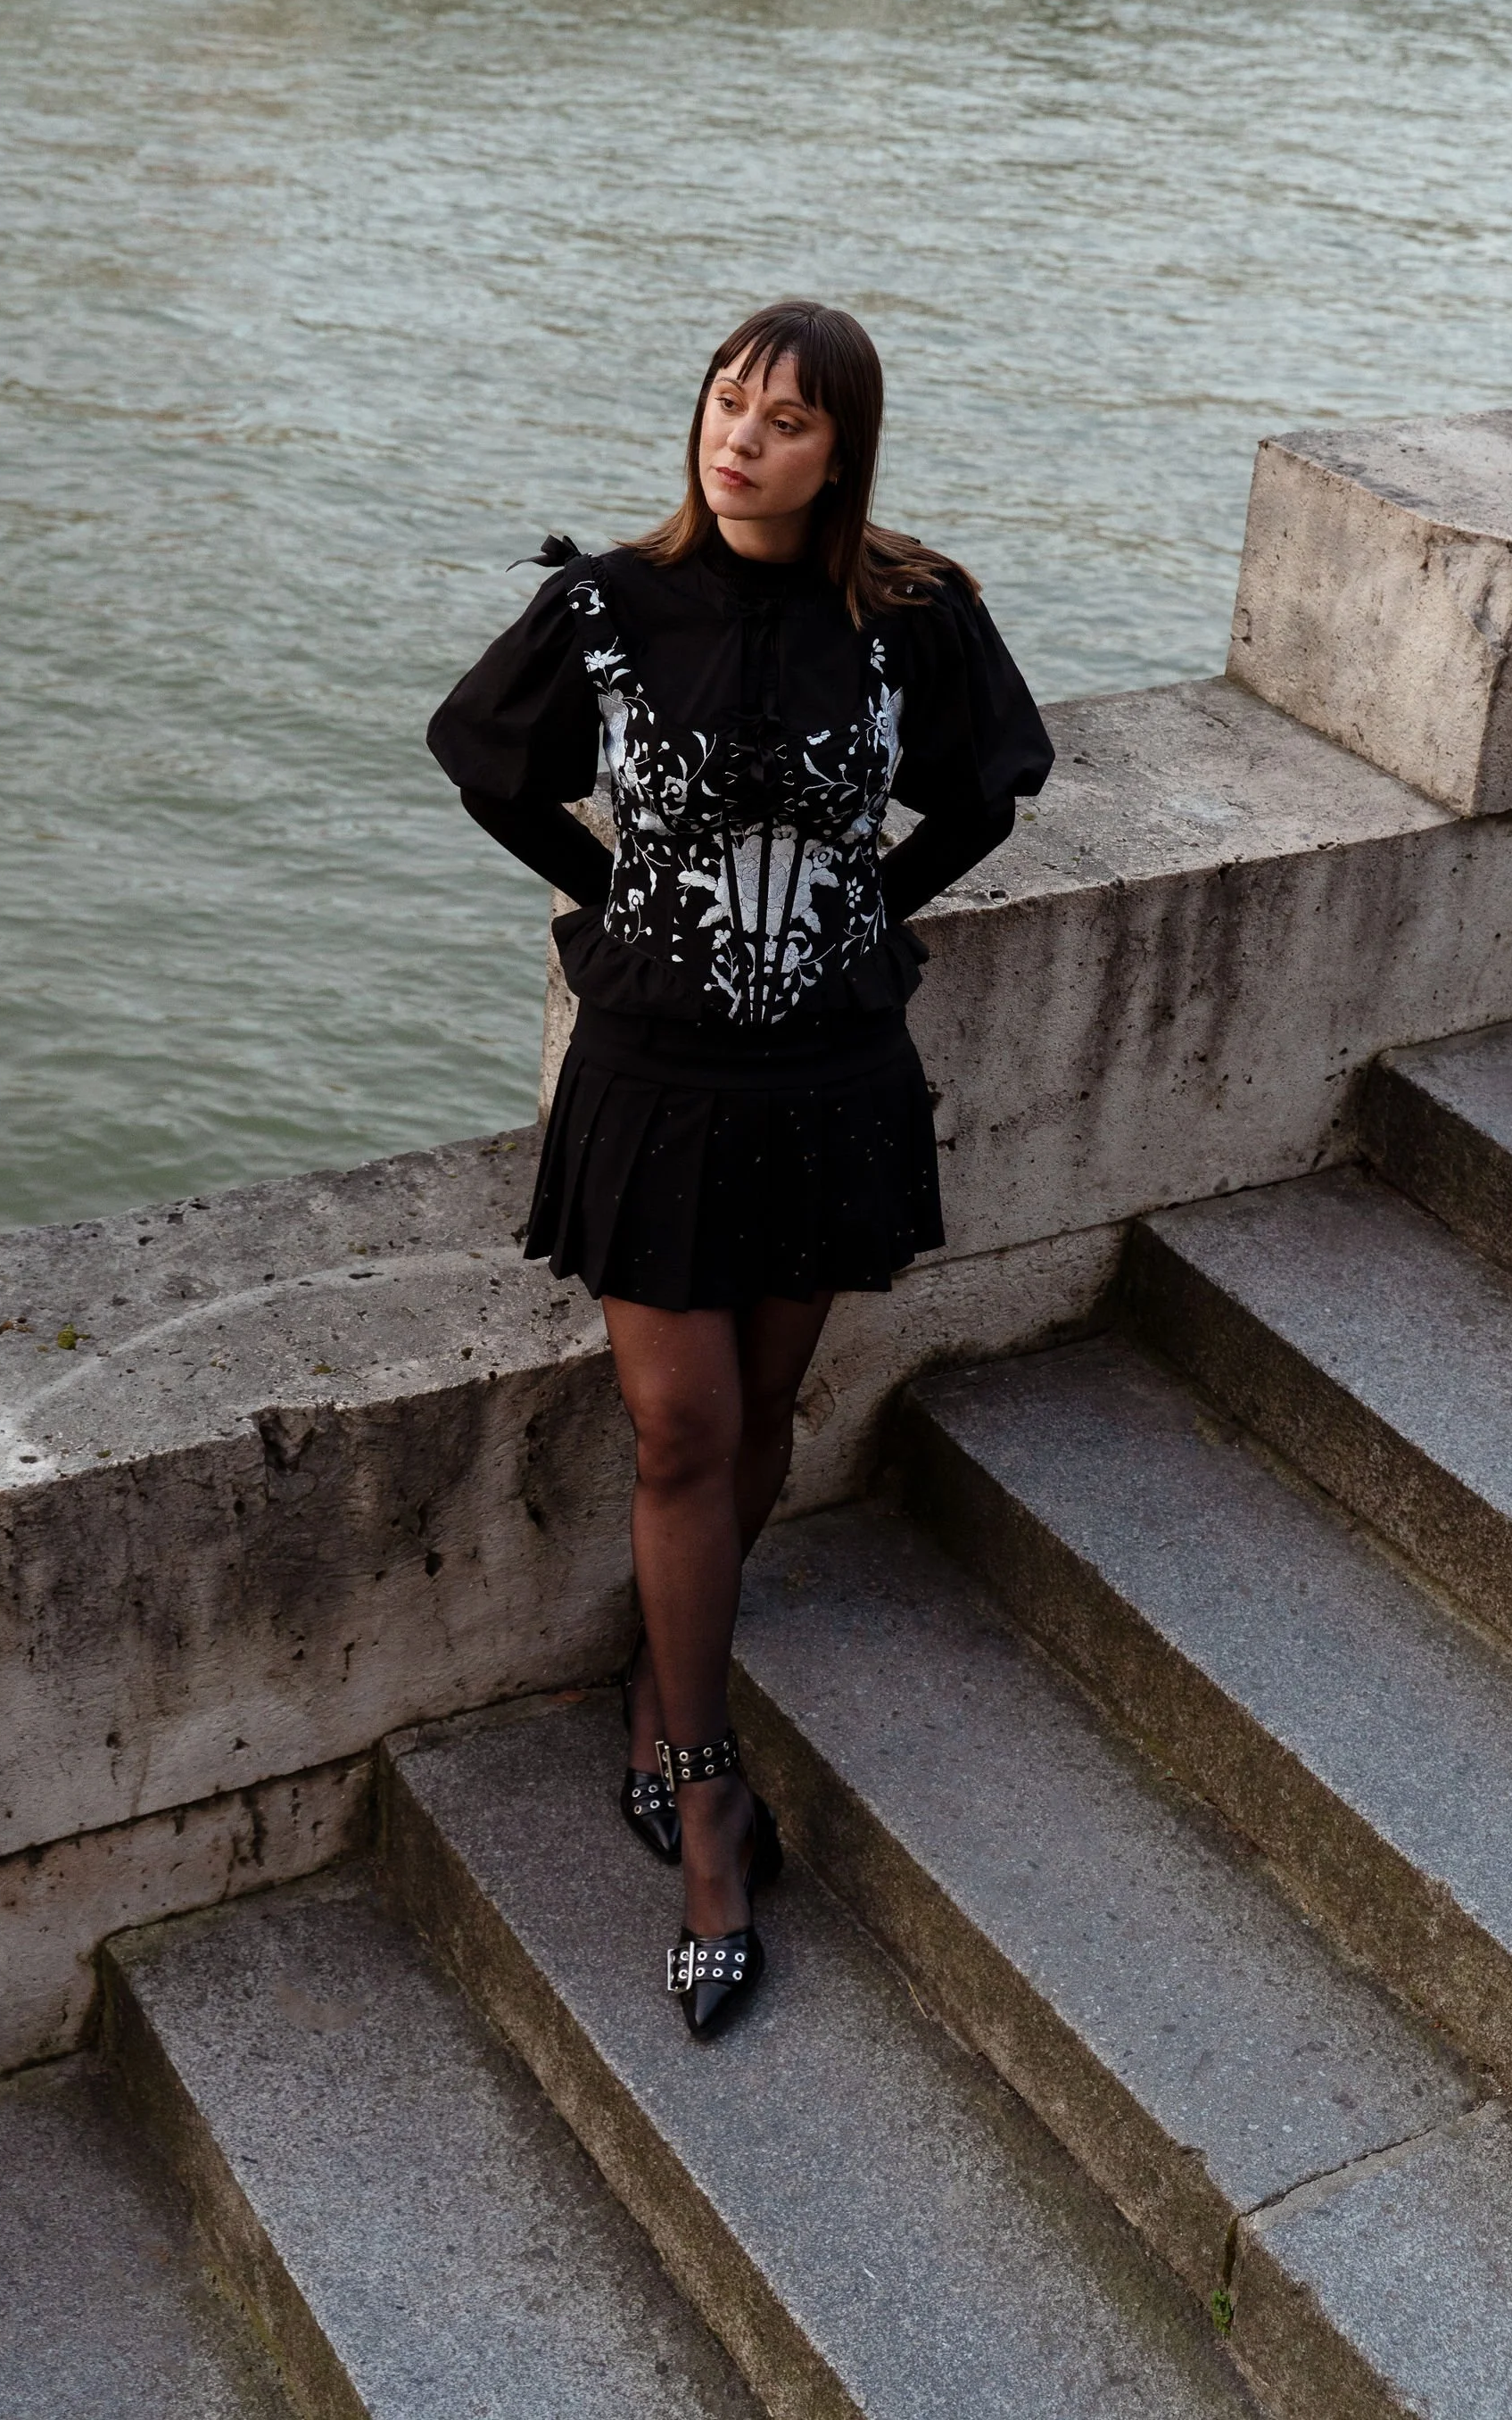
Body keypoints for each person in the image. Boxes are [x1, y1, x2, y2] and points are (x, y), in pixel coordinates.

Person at [427, 302, 1052, 2038]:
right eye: (725, 403)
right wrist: (601, 894)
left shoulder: (906, 616)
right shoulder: (609, 609)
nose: (742, 438)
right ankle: (704, 1785)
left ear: (840, 449)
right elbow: (481, 756)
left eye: (784, 419)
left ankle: (660, 1678)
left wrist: (875, 917)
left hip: (833, 1069)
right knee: (685, 1425)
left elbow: (995, 788)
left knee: (768, 1409)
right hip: (658, 1077)